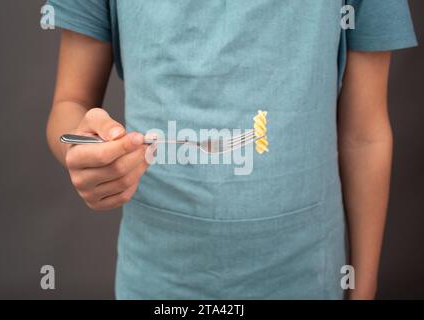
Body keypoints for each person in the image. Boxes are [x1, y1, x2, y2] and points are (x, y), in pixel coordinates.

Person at [45, 0, 417, 299]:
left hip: (308, 276)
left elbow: (364, 135)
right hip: (157, 278)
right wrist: (83, 152)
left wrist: (363, 289)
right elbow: (69, 104)